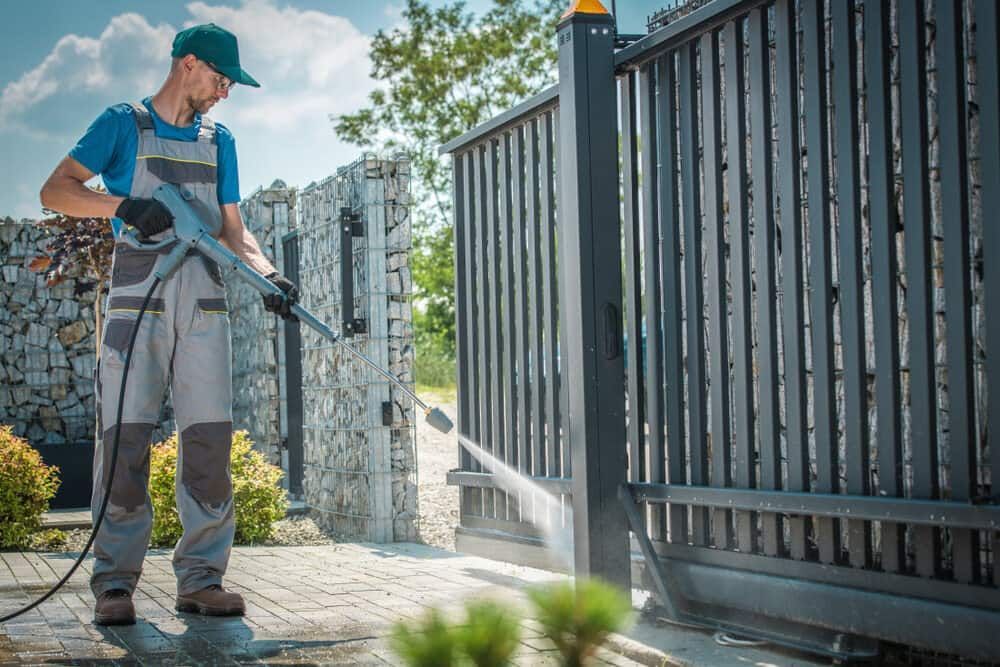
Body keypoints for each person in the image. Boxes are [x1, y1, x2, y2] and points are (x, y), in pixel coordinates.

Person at [39, 23, 298, 626]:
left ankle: (202, 580)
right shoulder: (121, 124)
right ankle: (115, 585)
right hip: (137, 303)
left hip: (204, 303)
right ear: (187, 64)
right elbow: (57, 191)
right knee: (124, 441)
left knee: (208, 443)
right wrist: (122, 205)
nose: (225, 91)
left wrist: (269, 275)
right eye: (221, 77)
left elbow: (234, 230)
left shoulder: (220, 139)